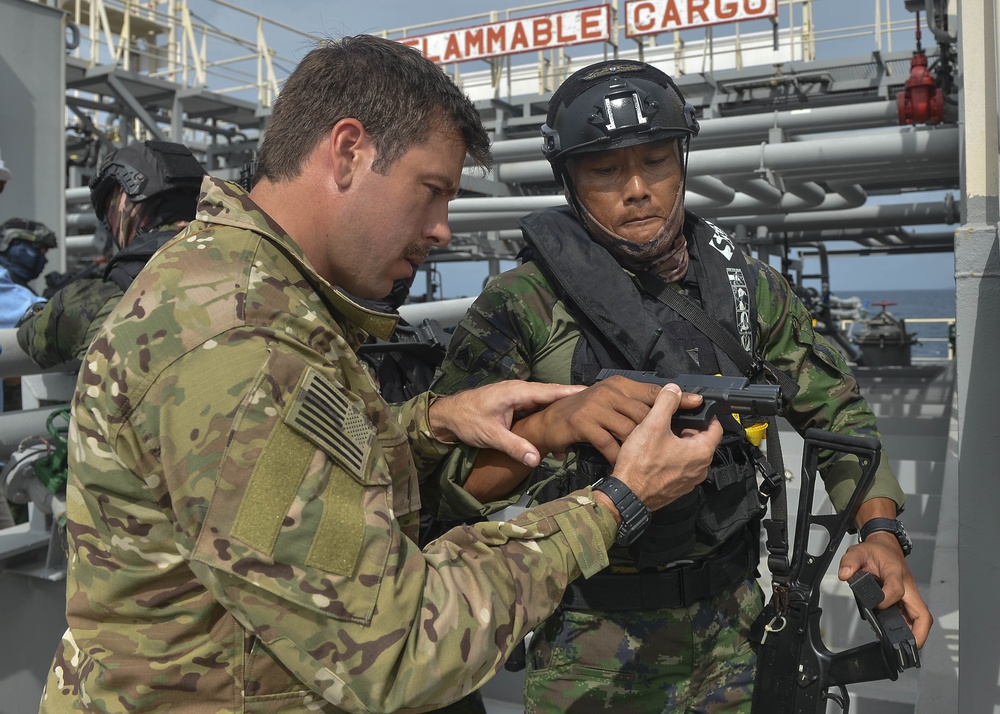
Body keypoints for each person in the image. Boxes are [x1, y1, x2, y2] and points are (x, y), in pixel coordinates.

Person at [40, 36, 724, 713]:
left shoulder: (240, 291)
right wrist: (615, 505)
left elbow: (290, 483)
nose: (442, 231)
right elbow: (396, 649)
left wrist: (427, 426)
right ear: (348, 151)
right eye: (432, 192)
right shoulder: (242, 346)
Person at [429, 59, 933, 713]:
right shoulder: (521, 305)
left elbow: (833, 408)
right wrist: (553, 427)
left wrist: (882, 536)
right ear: (571, 183)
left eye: (657, 162)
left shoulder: (743, 285)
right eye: (606, 171)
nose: (637, 189)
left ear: (682, 162)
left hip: (738, 630)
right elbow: (447, 488)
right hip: (592, 652)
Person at [16, 140, 206, 369]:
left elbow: (32, 337)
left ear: (126, 197)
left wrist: (39, 310)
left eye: (109, 208)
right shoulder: (248, 260)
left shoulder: (96, 300)